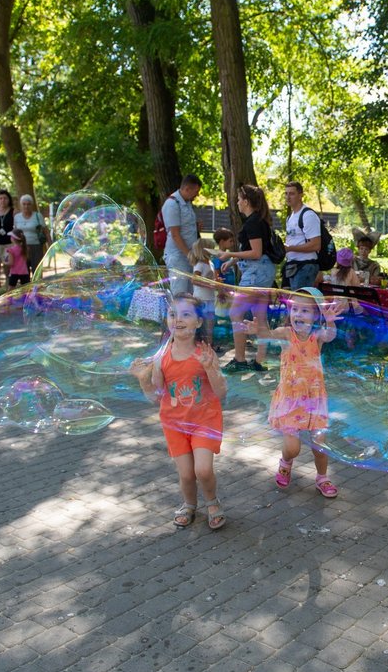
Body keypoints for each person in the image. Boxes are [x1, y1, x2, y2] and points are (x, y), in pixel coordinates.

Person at [130, 293, 227, 530]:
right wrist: (144, 381)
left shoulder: (205, 353)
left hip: (205, 420)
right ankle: (189, 505)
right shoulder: (161, 358)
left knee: (202, 470)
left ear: (199, 322)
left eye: (186, 314)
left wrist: (209, 368)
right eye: (173, 314)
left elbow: (221, 392)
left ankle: (212, 502)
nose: (178, 319)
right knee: (186, 475)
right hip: (175, 423)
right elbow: (157, 397)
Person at [245, 287, 344, 498]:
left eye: (305, 311)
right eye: (295, 309)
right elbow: (267, 336)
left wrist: (331, 320)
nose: (298, 314)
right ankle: (286, 461)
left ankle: (322, 478)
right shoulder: (286, 333)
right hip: (291, 400)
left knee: (320, 445)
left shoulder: (317, 335)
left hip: (315, 399)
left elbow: (331, 335)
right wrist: (257, 330)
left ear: (315, 315)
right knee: (293, 448)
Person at [220, 185, 277, 372]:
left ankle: (240, 359)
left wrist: (230, 255)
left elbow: (256, 252)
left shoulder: (253, 222)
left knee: (235, 313)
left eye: (238, 199)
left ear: (245, 201)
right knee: (260, 317)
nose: (237, 202)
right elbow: (254, 251)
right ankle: (260, 361)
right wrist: (234, 261)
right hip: (262, 273)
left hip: (256, 274)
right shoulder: (258, 221)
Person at [162, 175, 202, 295]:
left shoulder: (187, 202)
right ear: (187, 189)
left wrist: (194, 226)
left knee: (190, 293)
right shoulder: (172, 204)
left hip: (188, 255)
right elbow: (175, 234)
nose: (197, 195)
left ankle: (187, 314)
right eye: (196, 191)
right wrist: (189, 255)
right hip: (178, 256)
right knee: (180, 293)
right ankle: (177, 314)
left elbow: (183, 225)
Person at [283, 181, 321, 290]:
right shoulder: (290, 216)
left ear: (300, 195)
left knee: (299, 303)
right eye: (286, 193)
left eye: (292, 193)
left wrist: (290, 248)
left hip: (305, 266)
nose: (288, 197)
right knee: (294, 302)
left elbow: (315, 245)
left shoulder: (308, 215)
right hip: (293, 266)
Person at [188, 237, 217, 348]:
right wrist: (210, 285)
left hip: (210, 298)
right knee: (202, 324)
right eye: (211, 249)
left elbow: (210, 279)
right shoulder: (200, 264)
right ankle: (202, 345)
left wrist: (216, 283)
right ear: (204, 250)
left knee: (210, 324)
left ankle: (209, 345)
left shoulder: (210, 263)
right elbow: (194, 280)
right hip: (201, 298)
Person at [14, 194, 49, 274]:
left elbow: (46, 231)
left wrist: (50, 246)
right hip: (22, 247)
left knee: (36, 271)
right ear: (21, 205)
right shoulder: (17, 217)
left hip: (36, 246)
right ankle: (27, 286)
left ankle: (36, 287)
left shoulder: (37, 216)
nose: (26, 206)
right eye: (24, 204)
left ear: (32, 205)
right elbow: (15, 232)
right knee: (24, 271)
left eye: (28, 204)